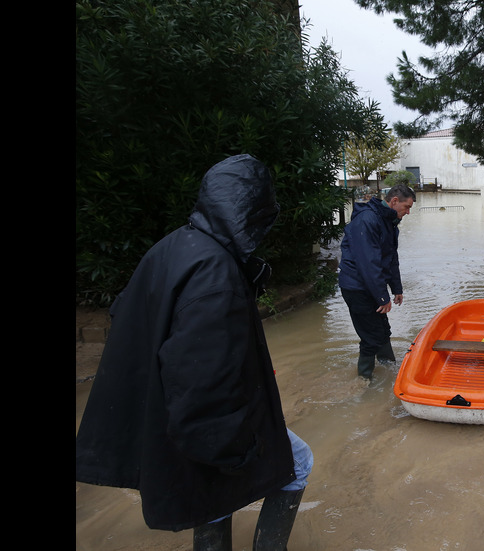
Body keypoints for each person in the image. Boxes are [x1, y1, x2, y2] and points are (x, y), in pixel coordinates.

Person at [75, 154, 313, 551]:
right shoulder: (216, 273)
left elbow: (126, 315)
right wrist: (233, 450)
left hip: (165, 415)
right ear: (254, 212)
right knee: (297, 463)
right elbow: (203, 381)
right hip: (198, 425)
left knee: (211, 497)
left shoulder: (172, 246)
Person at [339, 184, 416, 380]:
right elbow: (368, 263)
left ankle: (390, 371)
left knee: (382, 330)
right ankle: (365, 381)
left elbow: (391, 258)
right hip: (356, 287)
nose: (407, 212)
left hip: (370, 285)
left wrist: (396, 288)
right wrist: (383, 296)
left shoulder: (389, 222)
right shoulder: (367, 220)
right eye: (406, 207)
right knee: (370, 335)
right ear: (394, 201)